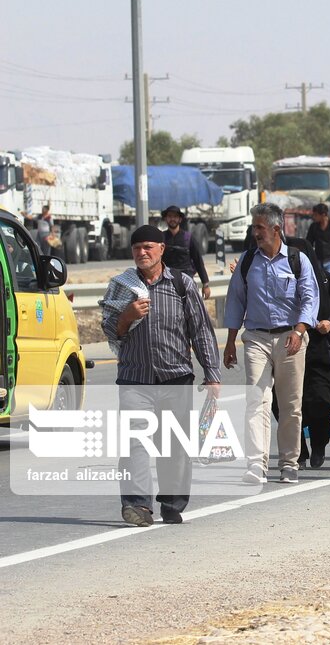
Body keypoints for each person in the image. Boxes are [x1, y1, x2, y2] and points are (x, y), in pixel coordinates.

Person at [100, 225, 221, 527]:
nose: (142, 253)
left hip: (175, 377)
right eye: (137, 248)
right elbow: (109, 330)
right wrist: (126, 316)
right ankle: (137, 506)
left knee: (174, 446)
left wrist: (212, 374)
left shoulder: (181, 285)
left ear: (161, 249)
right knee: (134, 443)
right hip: (134, 379)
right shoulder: (122, 286)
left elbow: (201, 330)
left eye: (148, 247)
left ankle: (171, 501)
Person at [223, 203, 320, 485]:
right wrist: (230, 341)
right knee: (256, 400)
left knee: (290, 405)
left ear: (276, 229)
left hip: (291, 338)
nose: (255, 233)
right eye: (254, 227)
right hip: (256, 338)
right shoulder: (247, 261)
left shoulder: (297, 260)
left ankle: (289, 462)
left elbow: (310, 298)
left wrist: (300, 331)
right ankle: (256, 464)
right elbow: (235, 300)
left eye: (259, 228)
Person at [290, 237, 330, 470]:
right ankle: (299, 452)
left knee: (320, 402)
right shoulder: (280, 281)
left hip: (318, 349)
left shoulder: (324, 279)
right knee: (291, 405)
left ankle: (319, 444)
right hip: (289, 349)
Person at [160, 205, 212, 301]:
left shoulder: (188, 238)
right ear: (166, 219)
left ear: (180, 219)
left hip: (186, 281)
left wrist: (205, 284)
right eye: (170, 216)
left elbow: (198, 261)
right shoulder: (161, 238)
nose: (172, 219)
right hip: (166, 282)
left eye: (175, 217)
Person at [305, 203, 330, 277]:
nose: (314, 217)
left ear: (323, 215)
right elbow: (308, 243)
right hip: (318, 261)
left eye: (316, 215)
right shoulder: (313, 227)